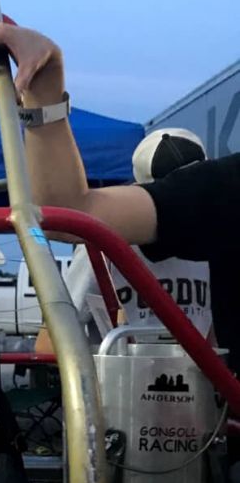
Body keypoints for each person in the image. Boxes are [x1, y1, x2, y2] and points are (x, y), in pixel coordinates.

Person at [0, 22, 240, 483]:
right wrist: (46, 92)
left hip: (169, 428)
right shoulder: (225, 191)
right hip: (188, 431)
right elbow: (70, 208)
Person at [36, 129, 212, 350]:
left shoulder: (217, 234)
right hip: (125, 378)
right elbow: (51, 339)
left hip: (196, 378)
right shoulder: (101, 241)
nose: (181, 209)